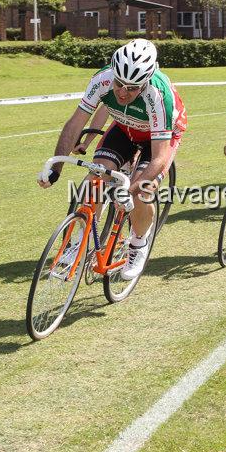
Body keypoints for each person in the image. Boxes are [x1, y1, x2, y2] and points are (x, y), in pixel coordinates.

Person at [38, 39, 186, 280]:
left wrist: (131, 190)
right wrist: (56, 169)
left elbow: (159, 158)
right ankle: (81, 240)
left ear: (145, 82)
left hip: (158, 138)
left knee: (142, 193)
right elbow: (75, 123)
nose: (122, 92)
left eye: (132, 88)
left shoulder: (158, 96)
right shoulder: (102, 79)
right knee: (95, 177)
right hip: (124, 128)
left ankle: (138, 243)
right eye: (119, 84)